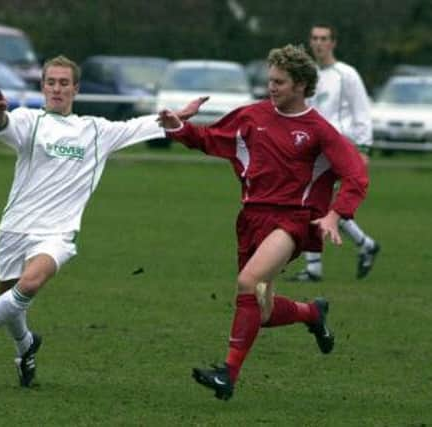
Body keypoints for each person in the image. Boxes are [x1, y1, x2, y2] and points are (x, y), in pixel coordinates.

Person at [0, 55, 206, 387]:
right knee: (11, 302)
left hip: (57, 233)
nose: (57, 89)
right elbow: (3, 127)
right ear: (43, 87)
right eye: (51, 82)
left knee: (28, 285)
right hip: (14, 228)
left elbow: (137, 127)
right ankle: (25, 346)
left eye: (64, 83)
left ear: (76, 88)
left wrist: (176, 117)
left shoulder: (95, 130)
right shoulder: (30, 121)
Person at [157, 44, 368, 400]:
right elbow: (210, 140)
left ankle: (228, 374)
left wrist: (336, 213)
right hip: (251, 218)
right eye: (270, 80)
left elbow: (356, 175)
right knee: (264, 310)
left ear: (301, 85)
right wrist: (179, 125)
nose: (271, 87)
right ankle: (311, 313)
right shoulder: (252, 116)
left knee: (248, 281)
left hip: (293, 221)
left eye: (280, 82)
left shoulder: (318, 130)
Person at [289, 23, 380, 282]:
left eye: (324, 38)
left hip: (340, 147)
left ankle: (317, 265)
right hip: (314, 148)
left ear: (333, 43)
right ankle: (363, 245)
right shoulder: (308, 74)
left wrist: (363, 148)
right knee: (316, 203)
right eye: (315, 38)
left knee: (311, 201)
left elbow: (362, 111)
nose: (318, 43)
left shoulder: (346, 74)